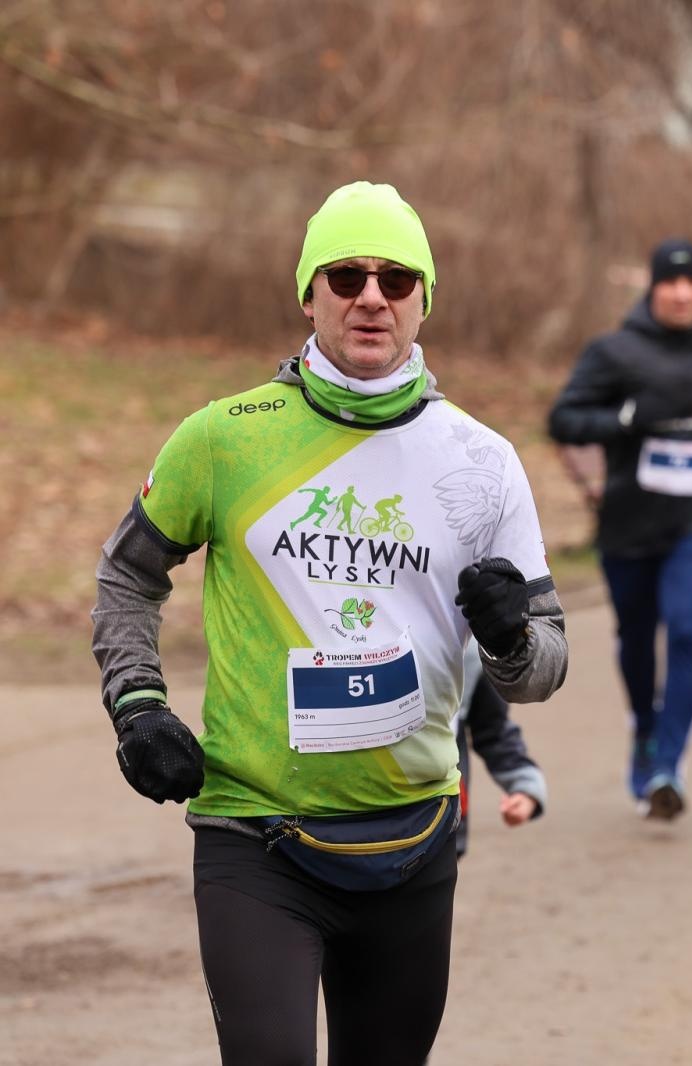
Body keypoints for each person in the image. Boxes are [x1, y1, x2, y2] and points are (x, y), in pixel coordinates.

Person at [90, 181, 569, 1065]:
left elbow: (541, 669)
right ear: (308, 293)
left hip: (413, 841)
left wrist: (508, 637)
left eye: (397, 278)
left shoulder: (483, 463)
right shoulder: (224, 439)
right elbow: (127, 573)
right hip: (254, 838)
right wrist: (139, 707)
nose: (372, 297)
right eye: (346, 276)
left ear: (428, 298)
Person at [548, 238, 692, 820]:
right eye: (671, 282)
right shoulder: (614, 350)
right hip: (627, 522)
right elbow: (564, 417)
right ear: (653, 288)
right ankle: (645, 732)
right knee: (637, 640)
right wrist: (623, 418)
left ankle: (670, 765)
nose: (682, 292)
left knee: (685, 629)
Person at [453, 638, 548, 858]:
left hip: (441, 824)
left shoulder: (468, 647)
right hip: (360, 826)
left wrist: (524, 784)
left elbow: (493, 729)